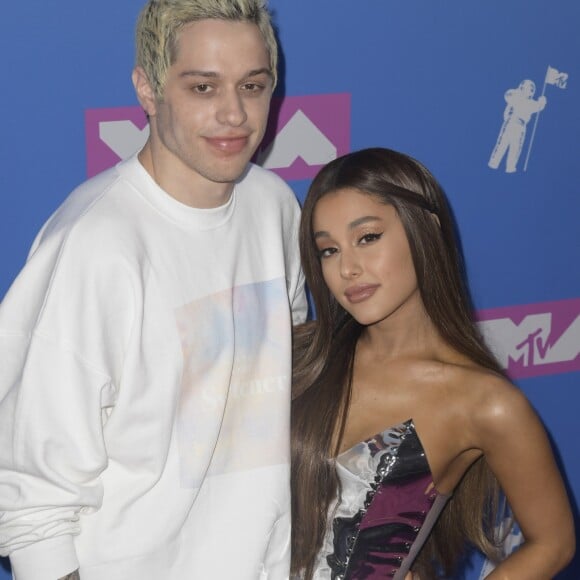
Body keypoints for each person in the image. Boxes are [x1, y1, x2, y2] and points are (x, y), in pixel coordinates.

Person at [0, 1, 307, 579]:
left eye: (253, 85)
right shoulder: (94, 243)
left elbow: (283, 392)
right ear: (148, 88)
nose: (234, 114)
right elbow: (32, 493)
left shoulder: (274, 207)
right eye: (202, 87)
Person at [290, 148, 574, 579]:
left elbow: (554, 543)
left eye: (367, 238)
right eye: (328, 250)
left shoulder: (482, 402)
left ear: (426, 229)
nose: (348, 267)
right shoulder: (301, 357)